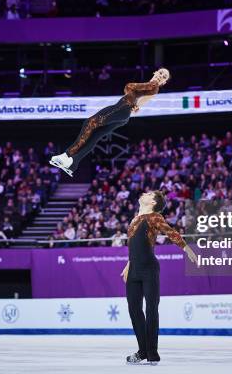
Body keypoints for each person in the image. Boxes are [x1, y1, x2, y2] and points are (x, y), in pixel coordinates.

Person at [120, 191, 198, 365]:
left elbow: (170, 232)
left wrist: (187, 249)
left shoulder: (154, 217)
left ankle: (152, 353)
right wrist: (128, 264)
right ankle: (142, 351)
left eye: (148, 194)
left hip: (149, 269)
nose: (144, 193)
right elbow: (134, 246)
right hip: (133, 270)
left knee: (151, 309)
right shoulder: (134, 219)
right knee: (134, 309)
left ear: (153, 202)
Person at [49, 68, 170, 176]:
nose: (161, 76)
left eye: (164, 76)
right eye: (160, 72)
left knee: (89, 123)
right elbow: (139, 103)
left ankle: (66, 156)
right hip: (124, 115)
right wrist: (134, 104)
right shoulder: (153, 88)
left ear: (164, 82)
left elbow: (129, 86)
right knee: (95, 135)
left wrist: (131, 97)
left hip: (122, 108)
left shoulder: (153, 85)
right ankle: (73, 163)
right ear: (155, 72)